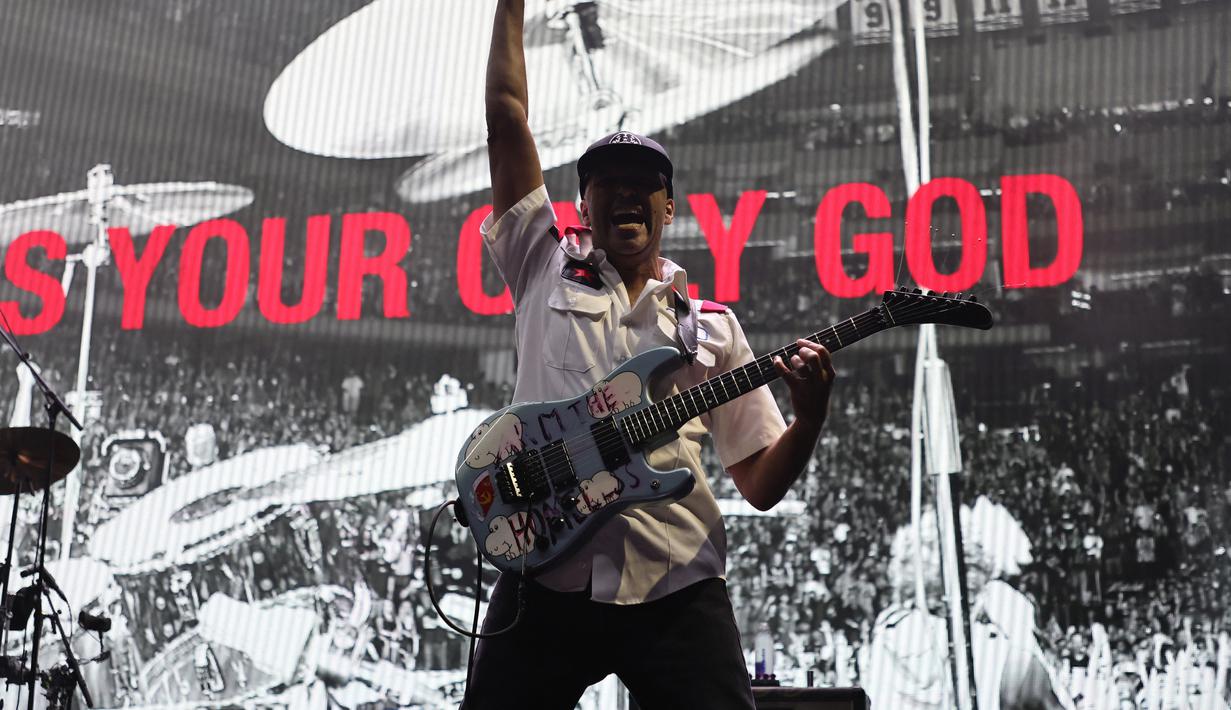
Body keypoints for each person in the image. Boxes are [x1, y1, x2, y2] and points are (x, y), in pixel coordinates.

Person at [461, 2, 835, 708]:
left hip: (677, 587)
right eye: (609, 181)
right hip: (545, 573)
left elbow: (757, 483)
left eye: (645, 183)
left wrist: (807, 419)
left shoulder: (712, 330)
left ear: (669, 208)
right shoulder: (540, 265)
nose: (627, 192)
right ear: (582, 202)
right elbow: (506, 118)